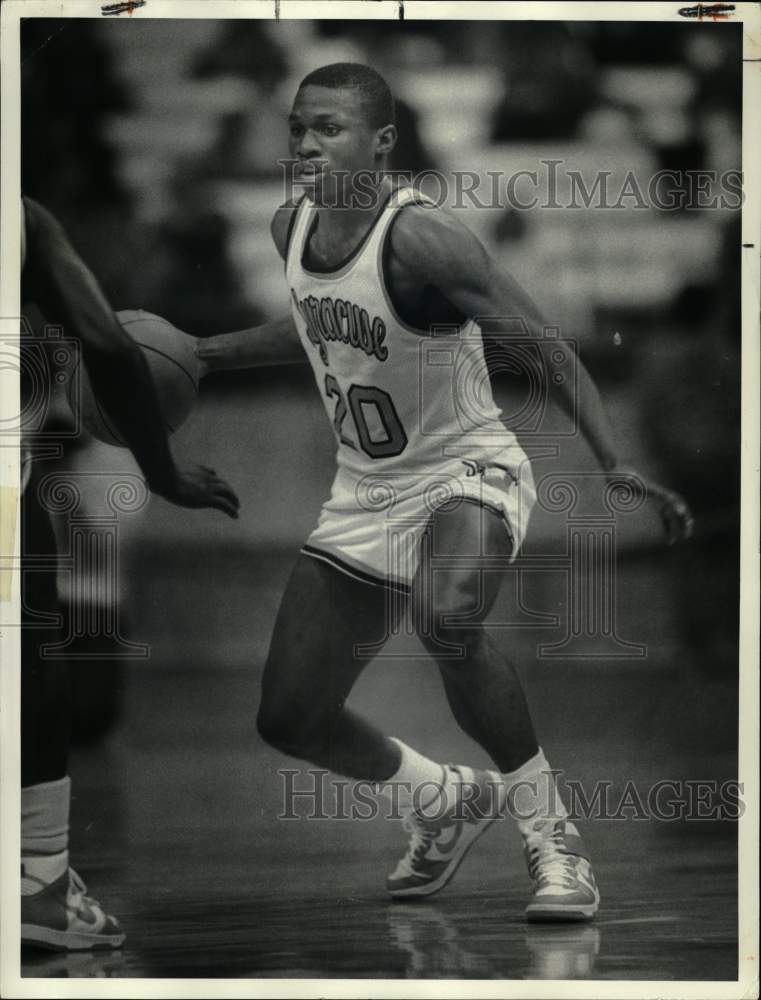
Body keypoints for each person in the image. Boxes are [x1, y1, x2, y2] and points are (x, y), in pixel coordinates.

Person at [196, 63, 692, 921]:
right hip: (365, 489)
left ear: (382, 141)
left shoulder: (424, 239)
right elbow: (317, 325)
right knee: (289, 718)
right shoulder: (291, 226)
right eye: (298, 128)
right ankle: (439, 798)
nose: (306, 144)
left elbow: (540, 345)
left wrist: (609, 459)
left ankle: (555, 839)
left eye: (328, 128)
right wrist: (204, 354)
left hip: (467, 466)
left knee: (447, 617)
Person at [19, 196, 240, 951]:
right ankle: (37, 876)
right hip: (47, 469)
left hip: (69, 460)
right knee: (35, 646)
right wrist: (163, 466)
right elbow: (109, 346)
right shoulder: (23, 220)